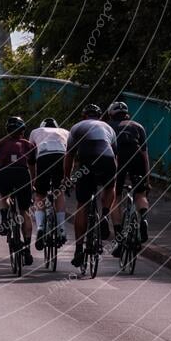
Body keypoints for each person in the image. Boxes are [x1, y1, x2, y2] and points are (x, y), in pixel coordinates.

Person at [64, 104, 117, 268]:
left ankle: (79, 249)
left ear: (83, 116)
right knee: (109, 187)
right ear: (100, 116)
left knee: (82, 205)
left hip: (87, 160)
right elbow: (115, 155)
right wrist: (113, 176)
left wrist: (67, 178)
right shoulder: (108, 128)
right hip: (107, 159)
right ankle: (105, 215)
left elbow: (70, 156)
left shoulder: (77, 127)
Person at [0, 116, 36, 266]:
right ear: (22, 131)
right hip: (22, 175)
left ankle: (4, 220)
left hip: (5, 175)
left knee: (4, 195)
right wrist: (32, 184)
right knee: (25, 210)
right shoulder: (29, 145)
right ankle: (27, 249)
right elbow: (33, 168)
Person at [107, 101, 150, 256]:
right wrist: (147, 179)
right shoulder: (138, 126)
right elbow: (145, 155)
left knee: (115, 197)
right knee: (140, 194)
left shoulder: (108, 127)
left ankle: (120, 241)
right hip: (137, 157)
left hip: (118, 158)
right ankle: (143, 218)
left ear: (111, 114)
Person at [28, 118, 69, 251]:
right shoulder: (65, 132)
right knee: (59, 191)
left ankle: (40, 227)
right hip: (61, 156)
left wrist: (34, 179)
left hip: (43, 157)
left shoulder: (35, 132)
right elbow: (71, 155)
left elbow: (31, 157)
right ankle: (61, 228)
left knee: (40, 194)